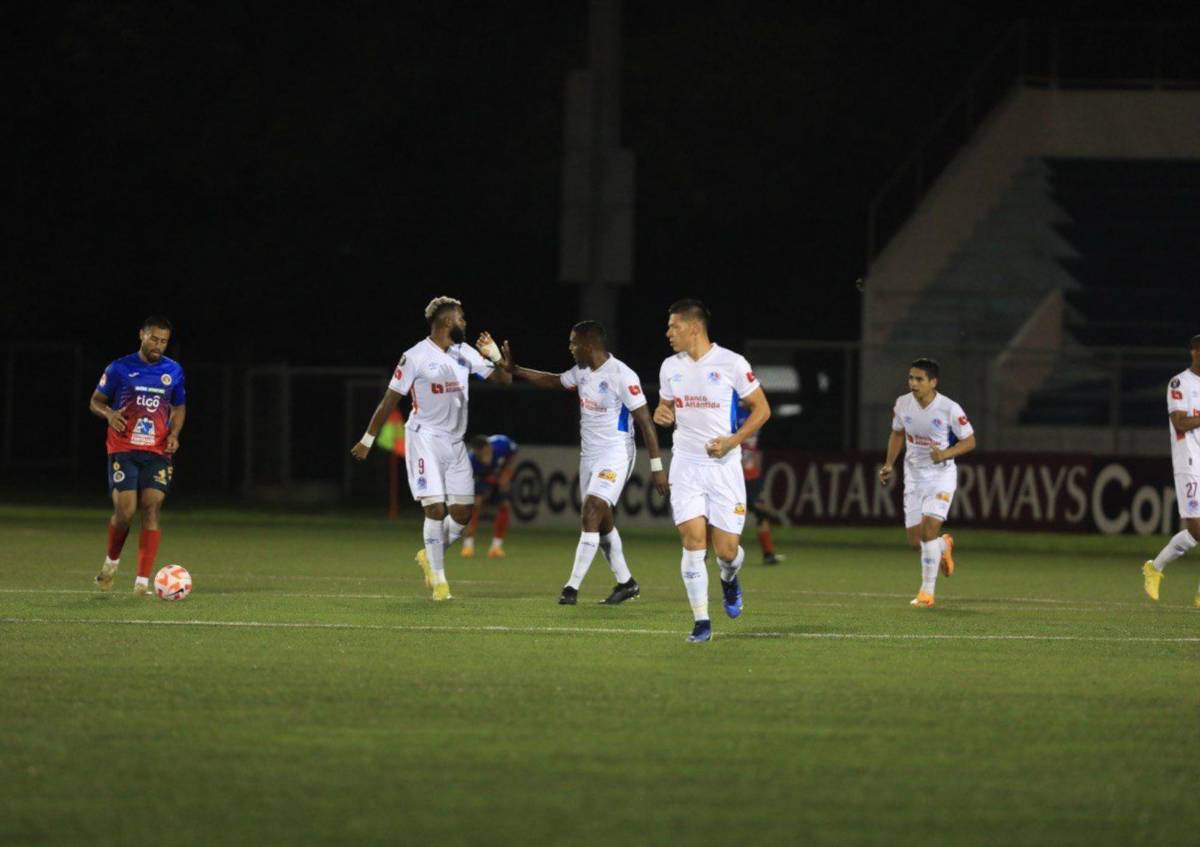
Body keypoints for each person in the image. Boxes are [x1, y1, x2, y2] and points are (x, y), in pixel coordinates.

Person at [351, 296, 512, 600]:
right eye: (462, 319)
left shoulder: (465, 352)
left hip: (455, 442)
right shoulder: (415, 356)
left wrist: (494, 357)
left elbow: (504, 380)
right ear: (447, 322)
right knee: (435, 508)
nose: (465, 323)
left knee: (463, 514)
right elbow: (390, 401)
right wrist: (367, 440)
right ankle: (439, 581)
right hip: (424, 438)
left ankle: (429, 553)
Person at [503, 321, 669, 604]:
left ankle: (571, 589)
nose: (569, 348)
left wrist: (656, 467)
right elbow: (554, 380)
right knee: (602, 523)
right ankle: (626, 583)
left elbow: (645, 422)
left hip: (616, 453)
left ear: (588, 345)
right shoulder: (581, 371)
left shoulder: (621, 374)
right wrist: (516, 370)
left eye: (573, 343)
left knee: (591, 509)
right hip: (589, 456)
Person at [653, 300, 770, 641]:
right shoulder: (669, 367)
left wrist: (733, 441)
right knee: (693, 541)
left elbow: (762, 410)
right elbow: (666, 405)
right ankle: (701, 622)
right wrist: (663, 412)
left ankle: (730, 579)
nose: (668, 333)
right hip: (687, 465)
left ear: (694, 328)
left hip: (724, 467)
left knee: (727, 552)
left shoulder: (731, 363)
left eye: (674, 326)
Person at [90, 316, 187, 594]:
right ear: (141, 335)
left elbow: (179, 407)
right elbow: (96, 401)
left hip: (157, 450)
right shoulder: (119, 368)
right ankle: (111, 562)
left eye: (164, 341)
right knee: (125, 511)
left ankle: (142, 583)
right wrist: (109, 414)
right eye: (154, 339)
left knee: (152, 506)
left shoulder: (174, 371)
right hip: (123, 447)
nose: (159, 345)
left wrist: (174, 434)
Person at [878, 358, 976, 608]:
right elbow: (898, 433)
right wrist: (889, 463)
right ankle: (944, 545)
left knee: (928, 530)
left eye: (919, 379)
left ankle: (926, 592)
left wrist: (945, 454)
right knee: (916, 542)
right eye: (911, 378)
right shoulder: (902, 404)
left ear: (933, 382)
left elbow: (970, 441)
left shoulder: (949, 408)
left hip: (941, 477)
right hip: (914, 477)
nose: (913, 383)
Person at [1142, 334, 1200, 605]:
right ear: (1193, 352)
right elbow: (1180, 423)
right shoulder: (1179, 383)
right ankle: (1155, 567)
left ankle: (1155, 568)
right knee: (1197, 529)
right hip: (1188, 461)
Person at [738, 401, 784, 564]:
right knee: (740, 514)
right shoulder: (750, 414)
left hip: (749, 474)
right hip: (738, 475)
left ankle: (768, 553)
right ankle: (730, 554)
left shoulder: (748, 413)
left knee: (746, 514)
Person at [463, 433, 519, 558]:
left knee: (504, 505)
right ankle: (468, 546)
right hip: (480, 478)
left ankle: (496, 547)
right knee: (475, 504)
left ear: (489, 447)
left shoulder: (502, 444)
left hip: (497, 474)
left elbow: (514, 452)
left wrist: (506, 471)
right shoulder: (470, 462)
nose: (484, 459)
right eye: (480, 456)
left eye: (485, 454)